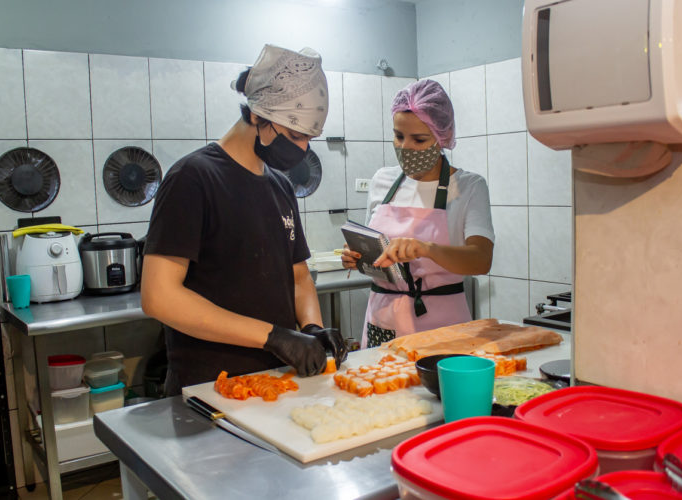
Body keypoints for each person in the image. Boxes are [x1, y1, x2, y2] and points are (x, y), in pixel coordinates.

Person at [141, 44, 347, 396]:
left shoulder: (280, 185)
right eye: (295, 135)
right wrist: (272, 336)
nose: (301, 150)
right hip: (210, 387)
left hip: (277, 383)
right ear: (257, 115)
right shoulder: (193, 178)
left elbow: (298, 278)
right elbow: (159, 296)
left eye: (308, 139)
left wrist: (311, 327)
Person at [341, 79, 495, 348]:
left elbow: (481, 260)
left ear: (441, 137)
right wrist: (359, 257)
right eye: (398, 136)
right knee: (380, 386)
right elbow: (377, 254)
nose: (405, 147)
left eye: (419, 139)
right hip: (383, 320)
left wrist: (427, 249)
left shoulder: (469, 187)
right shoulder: (381, 181)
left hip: (442, 326)